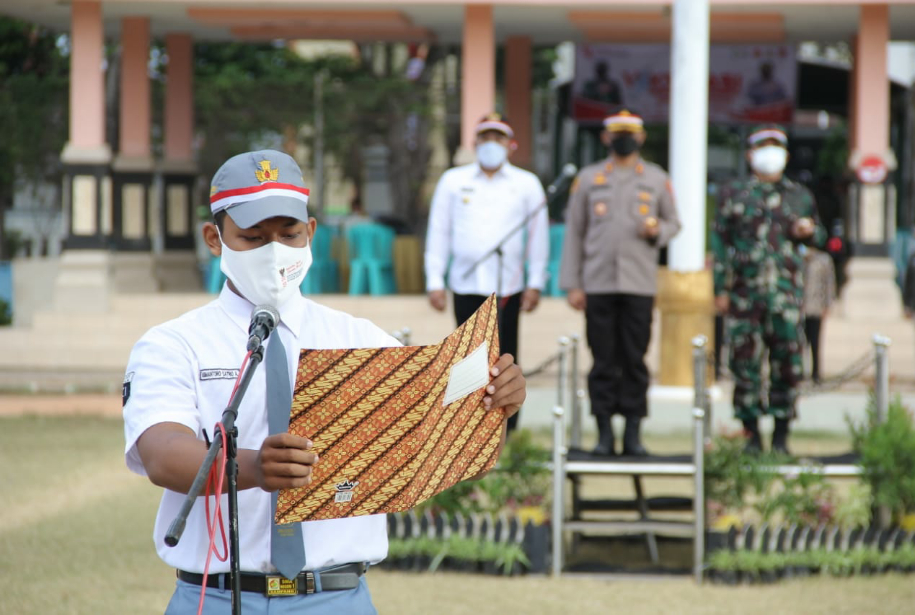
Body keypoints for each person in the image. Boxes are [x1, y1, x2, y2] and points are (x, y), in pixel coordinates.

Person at [123, 150, 526, 614]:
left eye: (289, 234)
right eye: (252, 237)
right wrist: (255, 468)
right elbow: (161, 453)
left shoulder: (363, 340)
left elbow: (426, 429)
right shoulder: (173, 344)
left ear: (311, 233)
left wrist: (493, 396)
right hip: (216, 597)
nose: (274, 251)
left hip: (336, 597)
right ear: (215, 239)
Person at [559, 109, 681, 457]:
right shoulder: (589, 178)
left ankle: (632, 433)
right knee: (602, 359)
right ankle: (602, 434)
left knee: (634, 359)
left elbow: (675, 223)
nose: (624, 139)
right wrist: (573, 283)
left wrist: (658, 231)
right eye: (618, 133)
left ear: (641, 139)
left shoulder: (657, 179)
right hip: (598, 283)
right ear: (606, 138)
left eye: (631, 133)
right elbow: (575, 232)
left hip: (639, 284)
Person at [424, 113, 548, 433]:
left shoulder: (526, 183)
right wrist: (434, 280)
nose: (491, 145)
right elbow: (439, 231)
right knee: (466, 357)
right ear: (474, 143)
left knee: (506, 355)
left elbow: (538, 236)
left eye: (499, 138)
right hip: (466, 284)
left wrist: (536, 281)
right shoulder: (454, 180)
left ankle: (509, 426)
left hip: (508, 285)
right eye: (485, 138)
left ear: (510, 144)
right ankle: (467, 424)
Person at [712, 125, 825, 455]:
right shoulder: (733, 194)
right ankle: (750, 435)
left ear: (786, 155)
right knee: (745, 363)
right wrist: (720, 288)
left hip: (786, 295)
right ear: (750, 154)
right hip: (745, 295)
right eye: (763, 146)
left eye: (776, 146)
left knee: (787, 363)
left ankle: (780, 436)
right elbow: (720, 242)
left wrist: (808, 231)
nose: (770, 153)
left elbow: (819, 238)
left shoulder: (800, 195)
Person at [801, 245, 836, 384]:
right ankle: (800, 372)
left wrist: (827, 304)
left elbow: (829, 283)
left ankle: (816, 373)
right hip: (800, 308)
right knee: (800, 343)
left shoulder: (823, 260)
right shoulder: (799, 258)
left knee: (815, 342)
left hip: (815, 307)